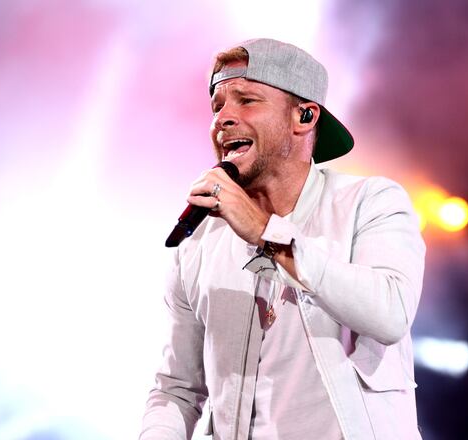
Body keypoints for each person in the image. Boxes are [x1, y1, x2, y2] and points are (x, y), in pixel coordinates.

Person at [141, 38, 425, 440]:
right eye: (217, 105)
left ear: (305, 116)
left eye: (246, 100)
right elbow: (177, 389)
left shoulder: (370, 203)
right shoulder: (199, 242)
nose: (223, 118)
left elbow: (390, 313)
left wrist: (265, 232)